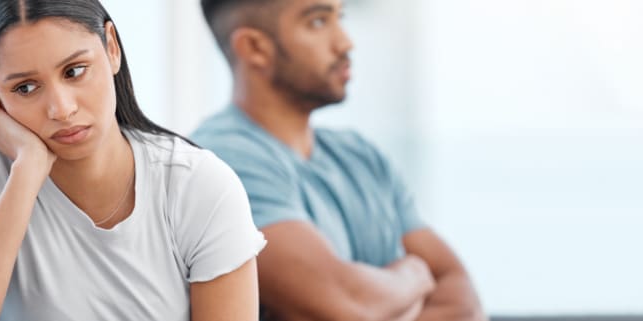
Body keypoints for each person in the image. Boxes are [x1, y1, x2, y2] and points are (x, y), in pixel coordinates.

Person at [0, 0, 265, 320]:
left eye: (74, 71)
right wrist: (27, 172)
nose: (61, 109)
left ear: (111, 48)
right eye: (25, 88)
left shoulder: (197, 184)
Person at [192, 0, 485, 320]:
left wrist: (379, 304)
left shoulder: (362, 157)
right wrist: (414, 275)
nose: (345, 42)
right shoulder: (221, 163)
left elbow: (464, 301)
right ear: (255, 48)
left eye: (339, 18)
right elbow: (346, 306)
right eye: (317, 22)